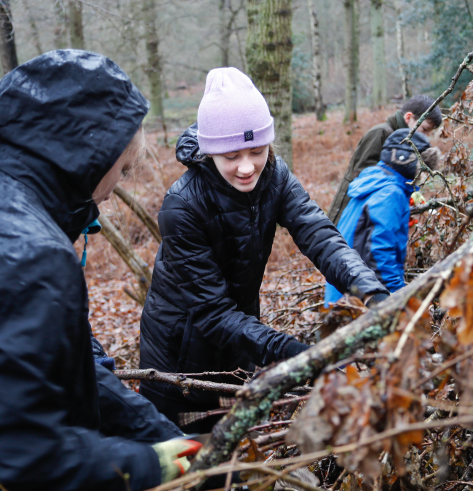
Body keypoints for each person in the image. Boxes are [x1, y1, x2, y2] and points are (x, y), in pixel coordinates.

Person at [0, 50, 199, 491]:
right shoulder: (28, 255)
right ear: (90, 154)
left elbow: (61, 368)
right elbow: (29, 456)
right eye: (122, 169)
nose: (112, 193)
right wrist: (155, 464)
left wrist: (165, 436)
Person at [139, 67, 389, 432]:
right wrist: (302, 357)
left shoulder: (275, 175)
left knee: (232, 444)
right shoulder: (182, 206)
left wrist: (371, 291)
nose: (246, 167)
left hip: (239, 348)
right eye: (230, 156)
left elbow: (319, 234)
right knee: (188, 457)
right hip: (179, 363)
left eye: (256, 151)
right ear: (210, 153)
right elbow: (213, 315)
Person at [324, 128, 441, 305]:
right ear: (410, 163)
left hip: (346, 291)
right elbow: (379, 252)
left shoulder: (377, 181)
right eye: (423, 170)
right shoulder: (390, 193)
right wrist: (396, 296)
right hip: (359, 300)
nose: (424, 178)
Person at [328, 95, 443, 225]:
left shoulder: (405, 144)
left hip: (372, 216)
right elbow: (362, 175)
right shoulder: (381, 133)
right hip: (350, 213)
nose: (425, 136)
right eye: (424, 129)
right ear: (408, 117)